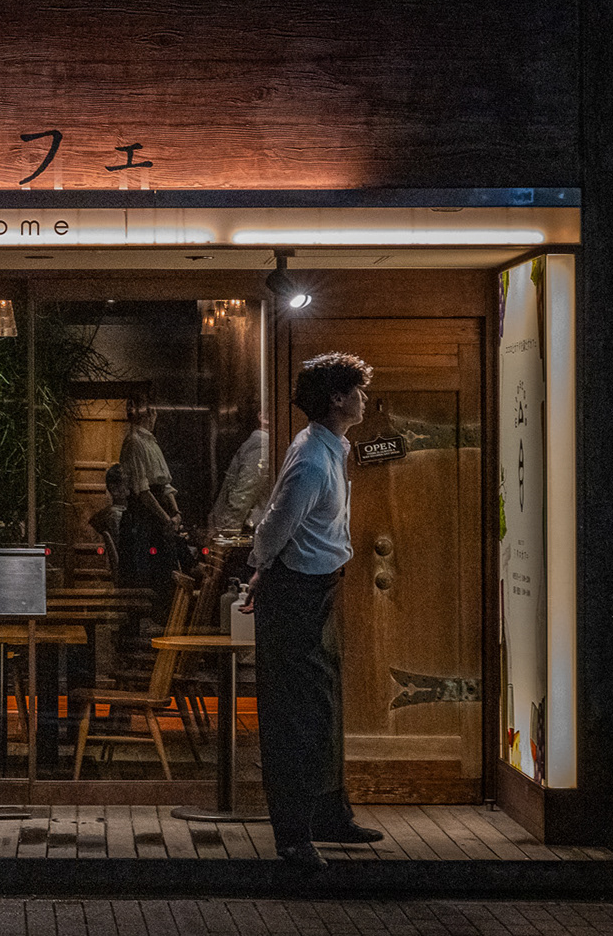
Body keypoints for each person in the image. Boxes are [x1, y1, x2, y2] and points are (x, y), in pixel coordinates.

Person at [240, 352, 383, 869]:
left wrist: (262, 567)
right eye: (357, 390)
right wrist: (259, 566)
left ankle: (325, 815)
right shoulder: (312, 458)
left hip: (315, 585)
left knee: (320, 704)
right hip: (296, 590)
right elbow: (278, 522)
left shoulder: (328, 448)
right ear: (337, 399)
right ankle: (294, 834)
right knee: (296, 712)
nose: (364, 399)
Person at [114, 396, 191, 607]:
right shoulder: (134, 441)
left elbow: (166, 484)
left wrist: (176, 513)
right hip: (144, 518)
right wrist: (166, 518)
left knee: (168, 571)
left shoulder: (150, 441)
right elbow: (142, 490)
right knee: (146, 576)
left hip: (160, 515)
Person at [208, 416, 271, 539]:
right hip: (247, 530)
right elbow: (244, 493)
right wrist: (227, 532)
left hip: (246, 528)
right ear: (263, 417)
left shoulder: (258, 443)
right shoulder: (262, 445)